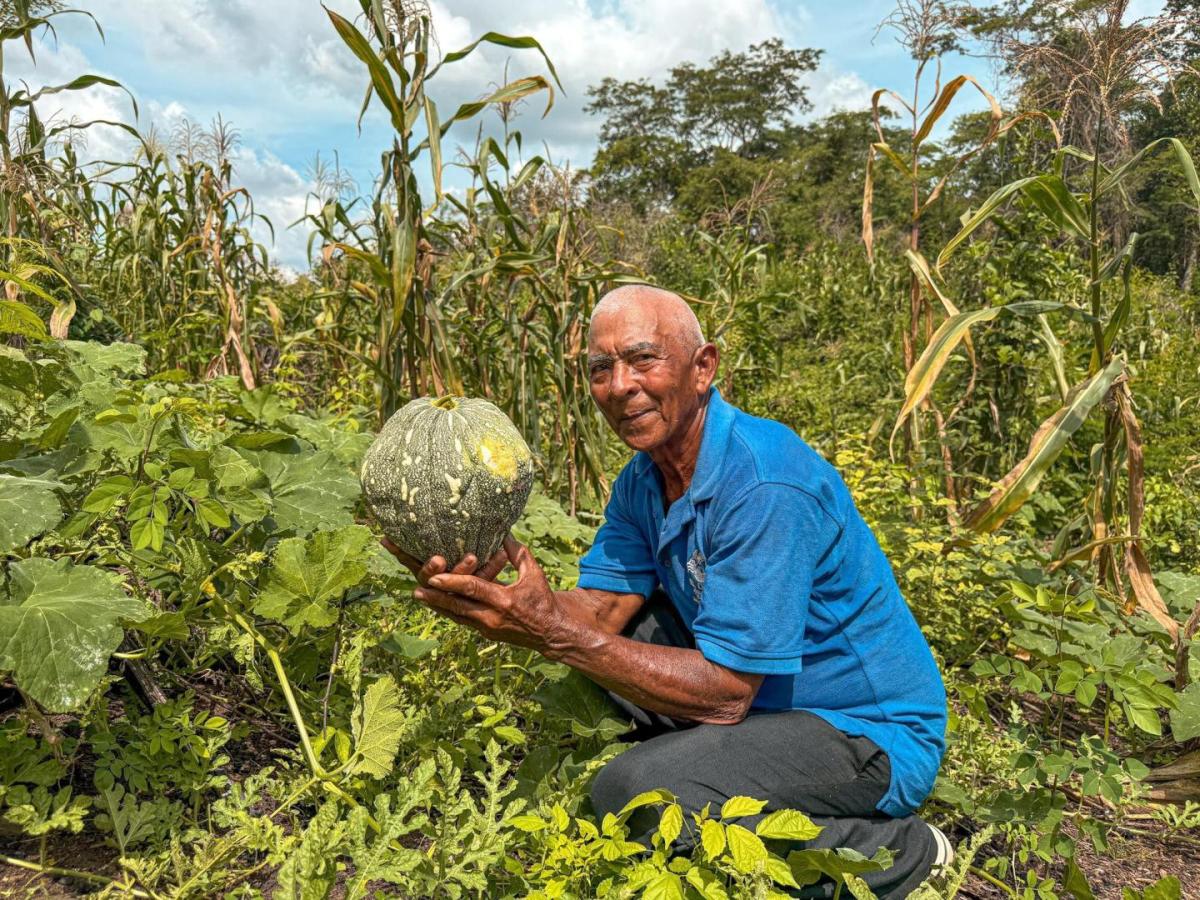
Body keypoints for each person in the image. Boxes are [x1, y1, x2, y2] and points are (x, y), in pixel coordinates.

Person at [383, 284, 952, 897]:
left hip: (861, 729)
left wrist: (553, 632)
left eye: (642, 359)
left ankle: (902, 852)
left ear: (703, 367)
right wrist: (502, 595)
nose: (620, 385)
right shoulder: (644, 479)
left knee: (633, 794)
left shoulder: (765, 485)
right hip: (767, 693)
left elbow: (729, 693)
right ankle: (719, 769)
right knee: (612, 651)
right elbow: (599, 613)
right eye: (601, 368)